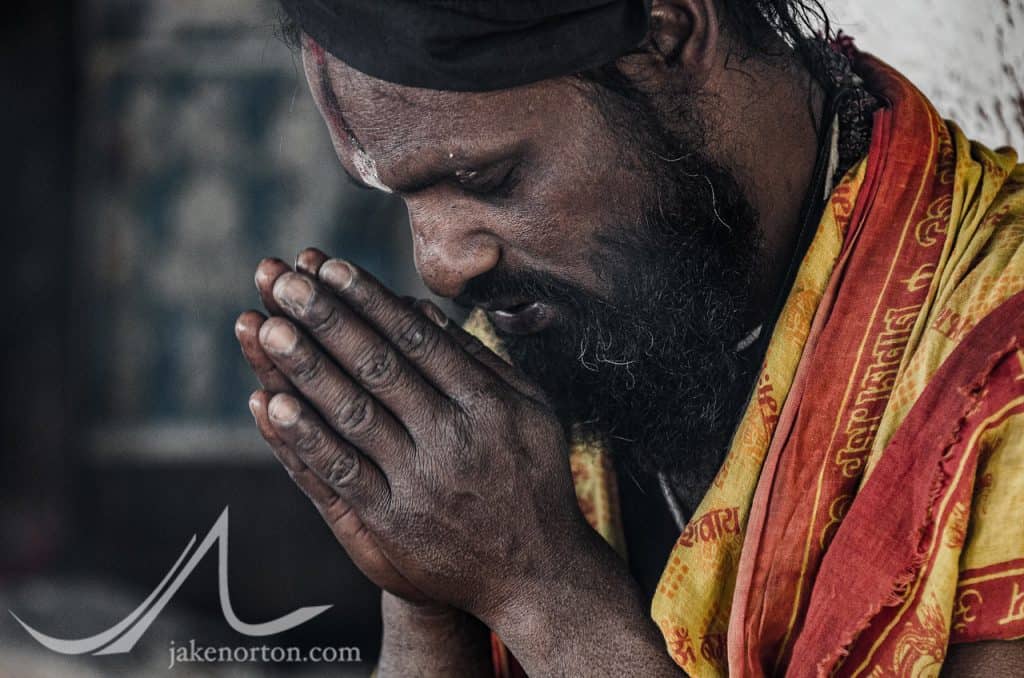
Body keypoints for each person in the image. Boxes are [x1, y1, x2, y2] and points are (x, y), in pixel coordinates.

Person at [232, 1, 1024, 675]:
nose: (439, 263)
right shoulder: (552, 346)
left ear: (667, 34)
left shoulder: (1003, 363)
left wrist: (541, 588)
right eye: (401, 198)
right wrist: (428, 593)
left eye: (487, 180)